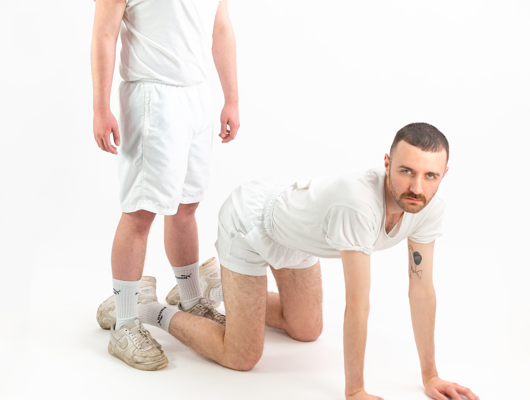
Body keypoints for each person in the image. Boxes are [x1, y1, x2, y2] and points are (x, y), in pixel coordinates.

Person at [118, 122, 479, 399]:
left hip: (298, 236)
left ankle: (219, 285)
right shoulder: (358, 207)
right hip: (251, 222)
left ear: (443, 175)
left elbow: (421, 290)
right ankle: (149, 308)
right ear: (387, 164)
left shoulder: (428, 209)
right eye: (406, 171)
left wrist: (430, 376)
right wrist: (355, 391)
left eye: (430, 176)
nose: (417, 187)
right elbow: (358, 304)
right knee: (242, 355)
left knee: (307, 330)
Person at [91, 0, 239, 370]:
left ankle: (191, 296)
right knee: (141, 211)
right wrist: (101, 107)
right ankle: (127, 323)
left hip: (198, 96)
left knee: (187, 205)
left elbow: (221, 29)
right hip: (151, 96)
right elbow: (105, 34)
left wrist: (230, 97)